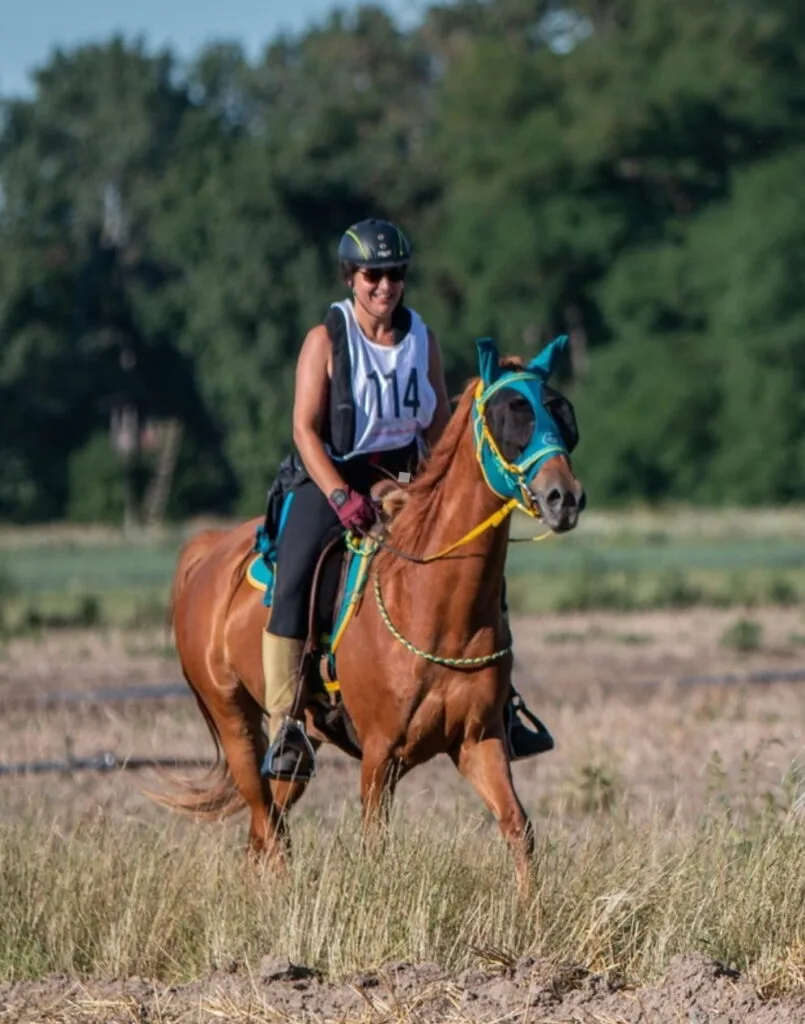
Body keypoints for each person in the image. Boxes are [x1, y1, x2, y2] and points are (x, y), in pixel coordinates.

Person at [261, 218, 551, 781]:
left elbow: (441, 432)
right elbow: (303, 429)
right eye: (373, 275)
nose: (385, 287)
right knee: (296, 575)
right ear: (351, 277)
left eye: (394, 275)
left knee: (478, 567)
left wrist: (441, 496)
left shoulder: (423, 338)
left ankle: (502, 705)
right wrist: (343, 496)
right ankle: (286, 724)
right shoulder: (326, 340)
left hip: (404, 479)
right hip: (330, 475)